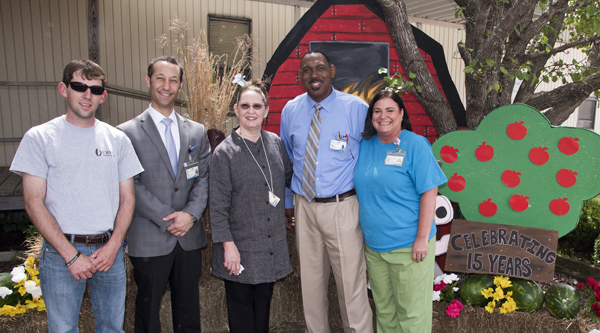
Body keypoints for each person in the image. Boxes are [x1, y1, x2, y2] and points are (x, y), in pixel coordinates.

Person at [10, 60, 143, 332]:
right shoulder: (40, 138)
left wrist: (114, 245)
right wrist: (71, 255)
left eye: (95, 90)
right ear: (63, 89)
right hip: (61, 254)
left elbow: (127, 198)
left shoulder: (117, 140)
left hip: (109, 253)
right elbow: (33, 201)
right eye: (79, 86)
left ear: (103, 96)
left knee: (112, 328)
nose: (87, 95)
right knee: (63, 329)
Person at [280, 50, 373, 333]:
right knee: (310, 285)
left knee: (351, 286)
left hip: (342, 207)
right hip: (304, 206)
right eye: (306, 70)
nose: (314, 75)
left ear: (332, 71)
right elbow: (285, 159)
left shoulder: (356, 108)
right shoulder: (291, 110)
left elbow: (372, 155)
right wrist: (288, 202)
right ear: (300, 77)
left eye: (319, 68)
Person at [117, 56, 211, 333]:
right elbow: (130, 184)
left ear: (180, 86)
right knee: (147, 312)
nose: (166, 86)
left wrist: (191, 215)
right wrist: (168, 218)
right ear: (148, 81)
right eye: (160, 78)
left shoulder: (196, 131)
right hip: (150, 236)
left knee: (188, 308)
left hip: (188, 237)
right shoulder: (126, 133)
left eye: (173, 80)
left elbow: (203, 177)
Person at [354, 90, 448, 333]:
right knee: (385, 312)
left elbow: (430, 191)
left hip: (409, 246)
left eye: (389, 110)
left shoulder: (415, 144)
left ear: (401, 114)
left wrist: (421, 239)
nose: (383, 116)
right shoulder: (365, 145)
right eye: (377, 111)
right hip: (375, 247)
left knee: (411, 315)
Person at [209, 79, 293, 333]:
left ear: (266, 110)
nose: (251, 111)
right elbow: (218, 207)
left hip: (269, 247)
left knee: (262, 315)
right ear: (236, 109)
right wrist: (228, 247)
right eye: (245, 105)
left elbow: (289, 179)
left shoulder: (275, 144)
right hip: (240, 249)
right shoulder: (224, 153)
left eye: (257, 106)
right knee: (242, 318)